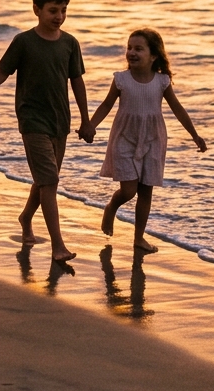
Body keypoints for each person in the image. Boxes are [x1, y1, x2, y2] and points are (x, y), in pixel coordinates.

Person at [0, 0, 92, 263]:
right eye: (52, 10)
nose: (59, 16)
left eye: (63, 10)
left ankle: (25, 218)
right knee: (50, 181)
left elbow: (77, 82)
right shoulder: (24, 42)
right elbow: (2, 73)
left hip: (61, 121)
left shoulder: (70, 43)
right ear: (37, 10)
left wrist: (86, 120)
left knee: (45, 180)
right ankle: (58, 245)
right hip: (32, 120)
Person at [88, 29, 206, 253]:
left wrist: (194, 134)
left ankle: (139, 238)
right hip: (124, 138)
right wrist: (91, 125)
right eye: (129, 47)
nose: (131, 52)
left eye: (138, 48)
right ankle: (111, 207)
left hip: (153, 139)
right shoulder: (121, 80)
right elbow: (106, 105)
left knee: (146, 191)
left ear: (154, 56)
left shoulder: (162, 81)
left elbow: (177, 108)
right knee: (129, 191)